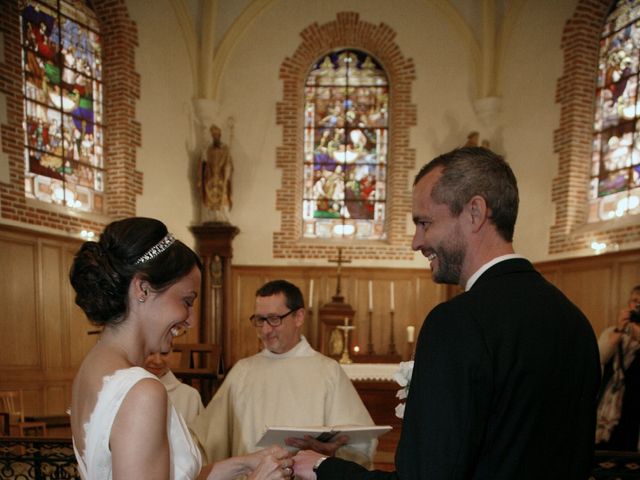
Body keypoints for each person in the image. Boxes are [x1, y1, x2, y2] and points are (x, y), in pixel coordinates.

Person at [293, 147, 601, 479]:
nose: (416, 242)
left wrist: (323, 469)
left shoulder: (457, 322)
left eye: (424, 222)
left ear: (474, 212)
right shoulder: (575, 322)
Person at [70, 217, 293, 480]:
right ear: (142, 289)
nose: (191, 319)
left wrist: (244, 465)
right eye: (187, 301)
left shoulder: (93, 367)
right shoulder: (141, 393)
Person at [193, 280, 376, 468]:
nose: (265, 330)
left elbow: (361, 443)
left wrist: (334, 452)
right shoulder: (242, 371)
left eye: (273, 319)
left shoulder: (328, 371)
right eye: (260, 320)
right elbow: (208, 440)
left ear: (298, 317)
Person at [596, 284, 640, 451]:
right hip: (611, 405)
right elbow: (601, 355)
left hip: (634, 405)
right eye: (634, 301)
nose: (637, 306)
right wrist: (620, 329)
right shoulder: (612, 331)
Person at [144, 350, 204, 426]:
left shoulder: (190, 396)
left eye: (164, 353)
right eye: (150, 353)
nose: (157, 361)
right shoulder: (128, 388)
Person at [199, 124, 233, 223]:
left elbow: (228, 163)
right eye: (213, 135)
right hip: (210, 176)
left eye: (216, 135)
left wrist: (228, 169)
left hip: (222, 176)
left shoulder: (225, 149)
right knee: (210, 196)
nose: (215, 137)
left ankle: (223, 216)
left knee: (223, 195)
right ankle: (212, 217)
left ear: (220, 135)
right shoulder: (209, 149)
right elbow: (205, 163)